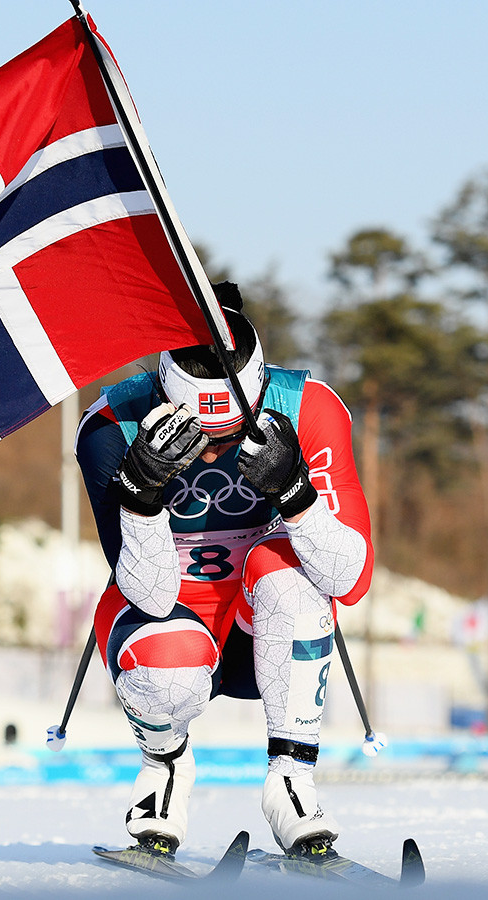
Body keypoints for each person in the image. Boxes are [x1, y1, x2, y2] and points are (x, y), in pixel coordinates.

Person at [75, 282, 372, 859]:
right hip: (166, 623)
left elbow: (351, 581)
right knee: (170, 665)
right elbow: (149, 595)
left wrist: (298, 496)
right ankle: (165, 770)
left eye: (230, 435)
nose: (212, 455)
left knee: (288, 569)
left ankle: (291, 786)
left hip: (261, 630)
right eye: (194, 439)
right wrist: (140, 497)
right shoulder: (112, 426)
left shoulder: (309, 407)